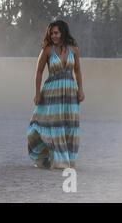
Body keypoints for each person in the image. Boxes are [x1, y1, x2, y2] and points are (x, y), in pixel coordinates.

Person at [27, 20, 85, 169]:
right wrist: (37, 93)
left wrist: (81, 89)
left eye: (56, 33)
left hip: (70, 92)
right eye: (51, 33)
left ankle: (68, 160)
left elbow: (77, 71)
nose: (53, 36)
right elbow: (38, 72)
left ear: (63, 33)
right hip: (52, 92)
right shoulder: (47, 50)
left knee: (70, 124)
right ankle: (57, 160)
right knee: (52, 124)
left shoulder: (74, 50)